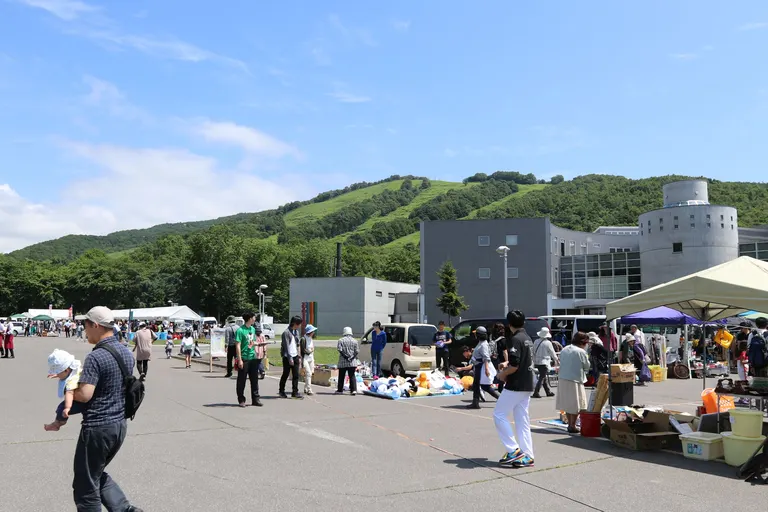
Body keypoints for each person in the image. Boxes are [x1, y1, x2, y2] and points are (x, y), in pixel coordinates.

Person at [71, 306, 143, 511]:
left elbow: (85, 394)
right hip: (118, 425)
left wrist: (69, 389)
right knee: (94, 473)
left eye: (85, 325)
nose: (84, 330)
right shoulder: (125, 352)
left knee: (85, 485)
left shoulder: (96, 357)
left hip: (97, 427)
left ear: (95, 325)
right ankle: (125, 510)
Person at [494, 310, 535, 468]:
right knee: (522, 420)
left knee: (499, 414)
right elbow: (521, 360)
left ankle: (514, 450)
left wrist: (503, 374)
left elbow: (515, 365)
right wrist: (507, 365)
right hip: (528, 382)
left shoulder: (515, 339)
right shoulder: (527, 338)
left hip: (516, 384)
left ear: (509, 324)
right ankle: (528, 455)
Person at [557, 332, 591, 434]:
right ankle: (573, 425)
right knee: (577, 404)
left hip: (563, 378)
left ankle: (570, 424)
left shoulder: (565, 349)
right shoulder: (581, 352)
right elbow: (586, 366)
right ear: (583, 342)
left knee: (568, 403)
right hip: (575, 379)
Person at [44, 349, 83, 431]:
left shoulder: (71, 381)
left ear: (66, 370)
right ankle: (58, 422)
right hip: (84, 397)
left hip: (80, 402)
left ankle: (57, 424)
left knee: (61, 408)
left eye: (58, 373)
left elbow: (69, 393)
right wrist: (57, 375)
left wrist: (67, 408)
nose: (58, 374)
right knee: (60, 408)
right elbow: (64, 374)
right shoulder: (74, 370)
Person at [235, 312, 263, 408]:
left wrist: (258, 344)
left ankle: (255, 399)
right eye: (254, 317)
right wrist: (239, 359)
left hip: (253, 357)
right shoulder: (240, 330)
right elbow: (237, 345)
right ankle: (241, 400)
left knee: (254, 380)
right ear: (249, 318)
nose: (255, 319)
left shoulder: (253, 329)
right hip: (244, 358)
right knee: (241, 380)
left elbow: (252, 341)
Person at [468, 326, 500, 409]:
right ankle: (475, 402)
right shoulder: (481, 343)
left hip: (481, 367)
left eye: (476, 334)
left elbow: (486, 358)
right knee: (476, 385)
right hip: (478, 366)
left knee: (485, 386)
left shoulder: (483, 345)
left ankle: (501, 399)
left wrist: (486, 369)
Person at [279, 316, 303, 399]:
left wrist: (299, 356)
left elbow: (298, 344)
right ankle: (281, 391)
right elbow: (286, 346)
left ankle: (295, 392)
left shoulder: (296, 332)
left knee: (296, 375)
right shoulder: (286, 332)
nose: (300, 326)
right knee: (285, 374)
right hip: (287, 356)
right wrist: (290, 358)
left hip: (295, 355)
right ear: (295, 324)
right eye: (299, 324)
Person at [532, 327, 558, 399]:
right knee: (542, 377)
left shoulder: (536, 341)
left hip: (537, 362)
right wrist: (556, 359)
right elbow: (552, 352)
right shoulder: (548, 343)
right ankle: (536, 392)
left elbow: (533, 351)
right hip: (545, 362)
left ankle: (548, 391)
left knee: (543, 377)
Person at [336, 326, 360, 395]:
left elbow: (340, 350)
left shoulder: (341, 340)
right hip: (352, 362)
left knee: (341, 376)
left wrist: (346, 357)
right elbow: (357, 351)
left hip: (343, 361)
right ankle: (353, 390)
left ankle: (340, 390)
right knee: (352, 376)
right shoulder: (355, 341)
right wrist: (352, 357)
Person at [301, 324, 317, 396]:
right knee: (308, 373)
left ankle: (305, 388)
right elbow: (303, 350)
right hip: (305, 358)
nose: (313, 332)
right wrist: (310, 351)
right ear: (309, 332)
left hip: (311, 358)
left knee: (310, 374)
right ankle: (309, 389)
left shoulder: (311, 338)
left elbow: (312, 348)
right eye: (313, 331)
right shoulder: (303, 339)